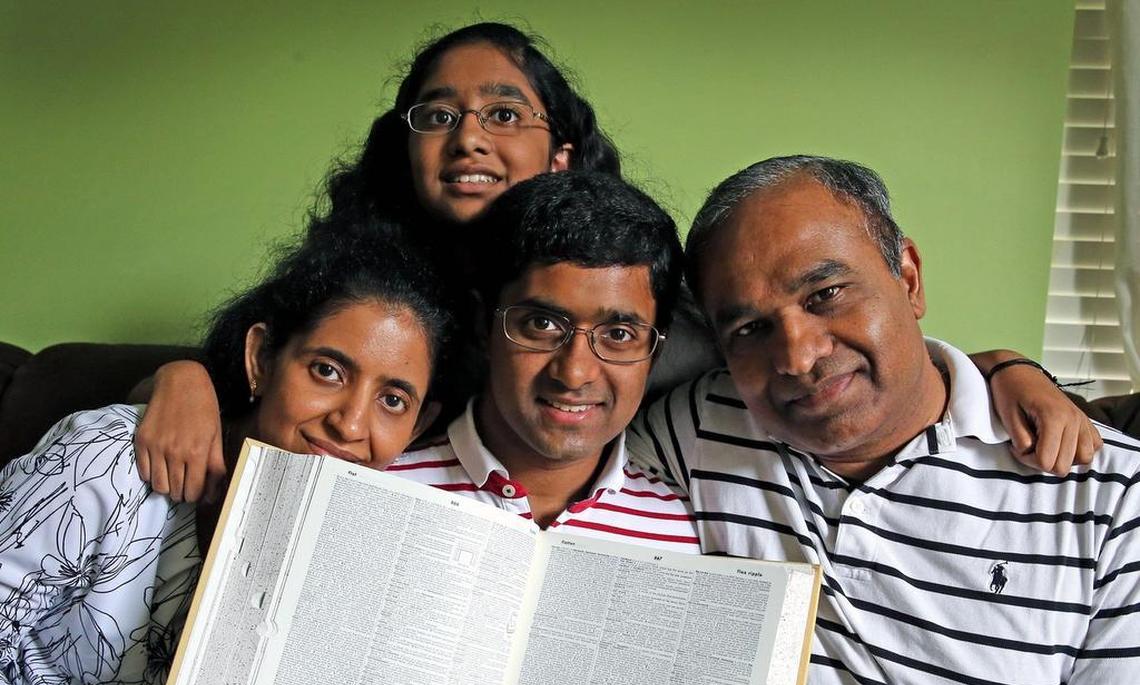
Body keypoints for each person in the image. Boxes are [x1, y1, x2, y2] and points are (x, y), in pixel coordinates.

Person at [131, 21, 1093, 505]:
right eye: (438, 114)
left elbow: (804, 337)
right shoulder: (362, 289)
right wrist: (179, 375)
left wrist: (1006, 367)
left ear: (558, 155)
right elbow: (253, 381)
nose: (469, 134)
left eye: (504, 113)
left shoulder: (629, 282)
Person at [632, 155, 1138, 685]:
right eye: (749, 329)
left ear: (908, 275)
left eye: (827, 294)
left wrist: (1007, 366)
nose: (798, 355)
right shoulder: (704, 428)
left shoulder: (1106, 496)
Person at [0, 219, 453, 685]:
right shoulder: (107, 460)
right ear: (261, 359)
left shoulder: (373, 547)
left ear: (420, 422)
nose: (351, 423)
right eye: (326, 370)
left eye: (394, 400)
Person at [389, 170, 700, 546]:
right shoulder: (379, 491)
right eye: (542, 324)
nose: (574, 373)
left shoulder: (686, 534)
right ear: (483, 324)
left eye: (618, 335)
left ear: (656, 350)